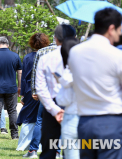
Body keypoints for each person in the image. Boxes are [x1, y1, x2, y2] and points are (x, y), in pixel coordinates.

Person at [68, 8, 122, 159]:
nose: (119, 34)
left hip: (85, 123)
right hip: (111, 122)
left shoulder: (75, 52)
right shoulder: (117, 55)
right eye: (119, 30)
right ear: (111, 29)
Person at [35, 24, 76, 159]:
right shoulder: (81, 56)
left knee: (48, 149)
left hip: (51, 105)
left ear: (55, 38)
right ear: (74, 37)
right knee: (73, 148)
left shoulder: (45, 57)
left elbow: (40, 88)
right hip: (75, 105)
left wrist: (54, 109)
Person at [23, 39, 57, 158]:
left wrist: (34, 90)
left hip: (46, 91)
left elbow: (35, 73)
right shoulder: (69, 50)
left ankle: (33, 151)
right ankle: (57, 152)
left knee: (40, 120)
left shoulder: (42, 51)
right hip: (63, 92)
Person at [17, 33, 49, 151]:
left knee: (28, 117)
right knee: (42, 118)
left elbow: (25, 77)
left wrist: (23, 95)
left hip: (31, 90)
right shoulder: (48, 55)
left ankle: (23, 145)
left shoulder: (28, 57)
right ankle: (40, 145)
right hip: (45, 89)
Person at [56, 37, 80, 159]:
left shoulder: (67, 72)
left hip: (72, 117)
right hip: (94, 118)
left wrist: (59, 80)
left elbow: (62, 100)